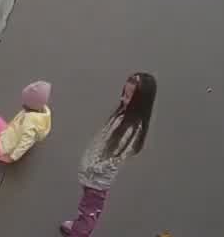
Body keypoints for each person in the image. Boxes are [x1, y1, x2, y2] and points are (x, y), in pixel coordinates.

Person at [60, 73, 157, 236]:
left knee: (89, 210)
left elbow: (116, 159)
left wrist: (95, 167)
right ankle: (80, 225)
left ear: (140, 103)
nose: (122, 99)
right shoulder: (123, 115)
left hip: (98, 179)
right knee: (86, 205)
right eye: (124, 94)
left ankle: (80, 232)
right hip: (92, 174)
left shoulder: (131, 128)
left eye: (128, 97)